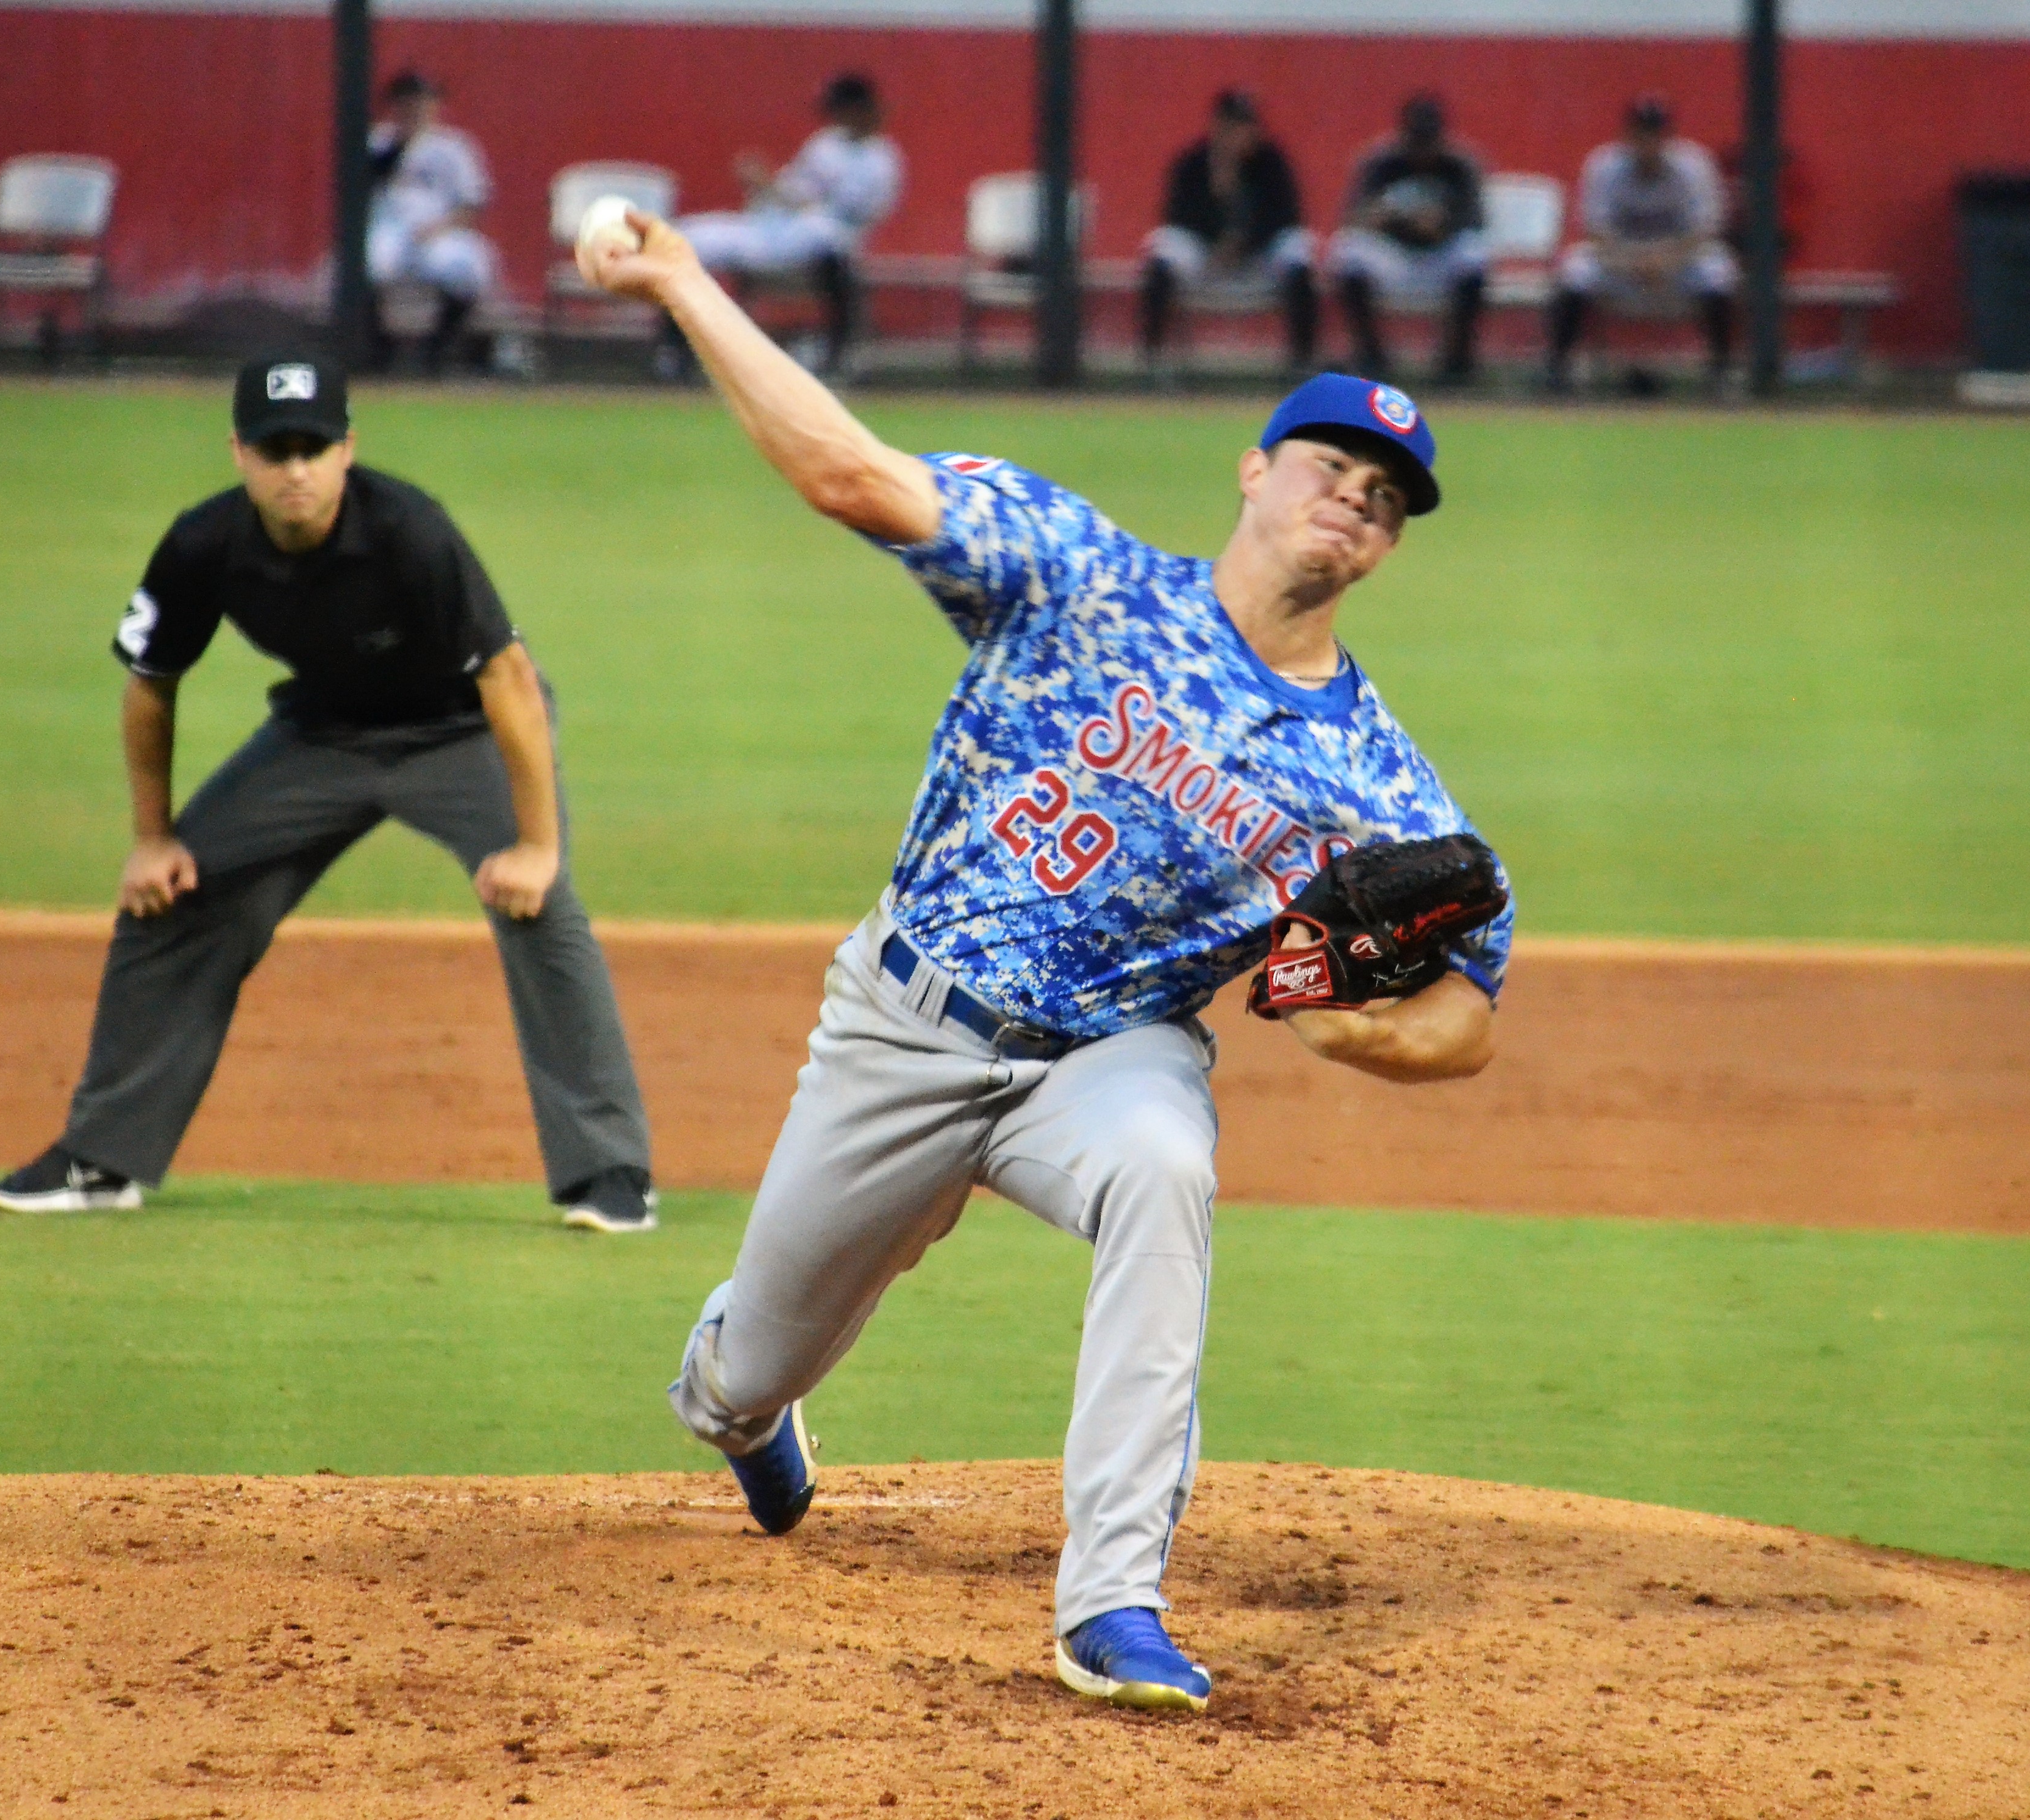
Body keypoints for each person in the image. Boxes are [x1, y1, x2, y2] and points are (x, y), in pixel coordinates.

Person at [579, 210, 1513, 1713]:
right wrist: (685, 281)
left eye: (1384, 497)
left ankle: (1113, 1602)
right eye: (1331, 465)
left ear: (1389, 545)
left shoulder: (1377, 782)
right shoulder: (1078, 572)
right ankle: (749, 1407)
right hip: (905, 1024)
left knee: (1167, 1169)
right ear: (1253, 470)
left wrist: (1365, 1037)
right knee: (744, 1373)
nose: (1354, 498)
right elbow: (847, 473)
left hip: (1108, 1059)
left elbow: (1472, 1002)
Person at [0, 353, 659, 1236]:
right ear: (239, 453)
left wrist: (536, 848)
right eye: (275, 450)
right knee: (175, 895)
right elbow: (150, 684)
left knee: (540, 908)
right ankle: (100, 1159)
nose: (295, 469)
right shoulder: (203, 544)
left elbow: (510, 679)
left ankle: (611, 1174)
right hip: (321, 737)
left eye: (313, 448)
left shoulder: (411, 530)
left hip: (461, 734)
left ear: (348, 450)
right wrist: (152, 838)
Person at [676, 71, 901, 376]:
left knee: (827, 239)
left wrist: (788, 197)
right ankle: (678, 350)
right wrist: (765, 185)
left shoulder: (882, 158)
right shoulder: (825, 145)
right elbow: (793, 191)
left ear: (860, 110)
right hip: (776, 231)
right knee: (688, 238)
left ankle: (839, 356)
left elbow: (852, 211)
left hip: (826, 236)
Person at [1546, 92, 1739, 393]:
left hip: (1677, 265)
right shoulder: (1605, 165)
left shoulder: (1693, 166)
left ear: (1668, 136)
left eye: (1655, 134)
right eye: (1641, 133)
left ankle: (1721, 373)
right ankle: (1559, 371)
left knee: (1717, 272)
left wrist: (1664, 260)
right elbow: (1595, 231)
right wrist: (1634, 261)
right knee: (1576, 270)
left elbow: (1705, 230)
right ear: (1628, 135)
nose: (1648, 142)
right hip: (1619, 263)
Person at [1137, 88, 1317, 375]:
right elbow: (1176, 217)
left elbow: (1287, 217)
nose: (1241, 134)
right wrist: (1215, 203)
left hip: (1258, 258)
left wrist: (1243, 241)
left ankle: (1301, 364)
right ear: (1217, 127)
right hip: (1205, 257)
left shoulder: (1271, 162)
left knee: (1297, 250)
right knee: (1164, 250)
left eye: (1247, 126)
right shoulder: (1194, 162)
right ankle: (1151, 361)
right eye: (1233, 126)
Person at [1328, 93, 1486, 384]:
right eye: (1417, 142)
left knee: (1473, 254)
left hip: (1440, 258)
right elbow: (1354, 217)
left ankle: (1457, 361)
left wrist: (1442, 224)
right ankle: (1371, 356)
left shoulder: (1460, 164)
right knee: (1348, 253)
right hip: (1394, 257)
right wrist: (1389, 219)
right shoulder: (1381, 162)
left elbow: (1476, 221)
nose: (1423, 151)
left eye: (1429, 141)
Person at [365, 69, 499, 374]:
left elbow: (472, 203)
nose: (415, 108)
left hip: (441, 230)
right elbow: (360, 190)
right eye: (407, 101)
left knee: (466, 268)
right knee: (368, 265)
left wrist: (440, 228)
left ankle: (437, 350)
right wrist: (401, 144)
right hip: (387, 229)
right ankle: (377, 351)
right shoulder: (378, 142)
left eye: (423, 101)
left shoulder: (453, 146)